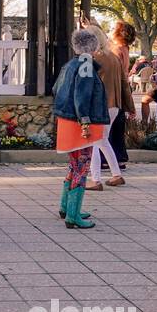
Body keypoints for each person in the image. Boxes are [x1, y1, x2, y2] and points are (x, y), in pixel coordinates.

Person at [53, 29, 110, 230]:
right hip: (81, 122)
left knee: (74, 165)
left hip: (67, 120)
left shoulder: (70, 64)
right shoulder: (86, 64)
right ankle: (73, 214)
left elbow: (56, 89)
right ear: (93, 46)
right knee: (82, 166)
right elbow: (83, 93)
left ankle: (66, 207)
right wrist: (85, 121)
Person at [85, 23, 132, 191]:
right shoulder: (113, 57)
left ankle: (95, 179)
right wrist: (130, 106)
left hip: (98, 106)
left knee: (93, 142)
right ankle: (116, 174)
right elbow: (124, 83)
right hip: (114, 105)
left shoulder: (90, 58)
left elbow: (84, 84)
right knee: (103, 141)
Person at [108, 21, 137, 169]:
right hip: (122, 87)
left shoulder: (117, 49)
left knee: (111, 126)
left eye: (113, 28)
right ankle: (119, 156)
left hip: (116, 87)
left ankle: (110, 158)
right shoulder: (125, 48)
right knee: (118, 125)